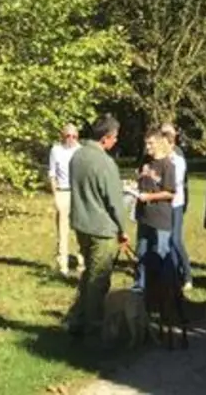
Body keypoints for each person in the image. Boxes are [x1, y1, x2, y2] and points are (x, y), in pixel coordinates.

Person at [63, 114, 129, 340]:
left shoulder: (77, 156)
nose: (116, 141)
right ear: (106, 138)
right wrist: (124, 229)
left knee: (88, 275)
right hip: (102, 230)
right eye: (115, 137)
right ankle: (93, 327)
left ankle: (77, 319)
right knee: (98, 280)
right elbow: (114, 201)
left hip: (82, 224)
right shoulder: (104, 163)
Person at [132, 130, 178, 293]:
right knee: (141, 253)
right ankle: (140, 286)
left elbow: (170, 192)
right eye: (146, 143)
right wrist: (132, 188)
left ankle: (162, 290)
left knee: (160, 254)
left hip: (160, 218)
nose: (147, 146)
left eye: (150, 143)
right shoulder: (145, 161)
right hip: (144, 216)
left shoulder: (167, 165)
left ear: (159, 143)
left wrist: (150, 197)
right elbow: (140, 181)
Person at [160, 123, 193, 290]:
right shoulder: (160, 160)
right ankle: (173, 274)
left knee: (176, 239)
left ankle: (187, 274)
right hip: (164, 205)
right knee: (167, 240)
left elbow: (175, 182)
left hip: (176, 204)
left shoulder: (178, 160)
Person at [47, 123, 81, 277]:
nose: (71, 139)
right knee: (63, 230)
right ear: (62, 136)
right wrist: (56, 195)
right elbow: (52, 174)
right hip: (62, 191)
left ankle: (82, 263)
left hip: (78, 193)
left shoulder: (80, 150)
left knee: (81, 229)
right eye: (68, 136)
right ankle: (63, 266)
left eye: (74, 136)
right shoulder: (56, 150)